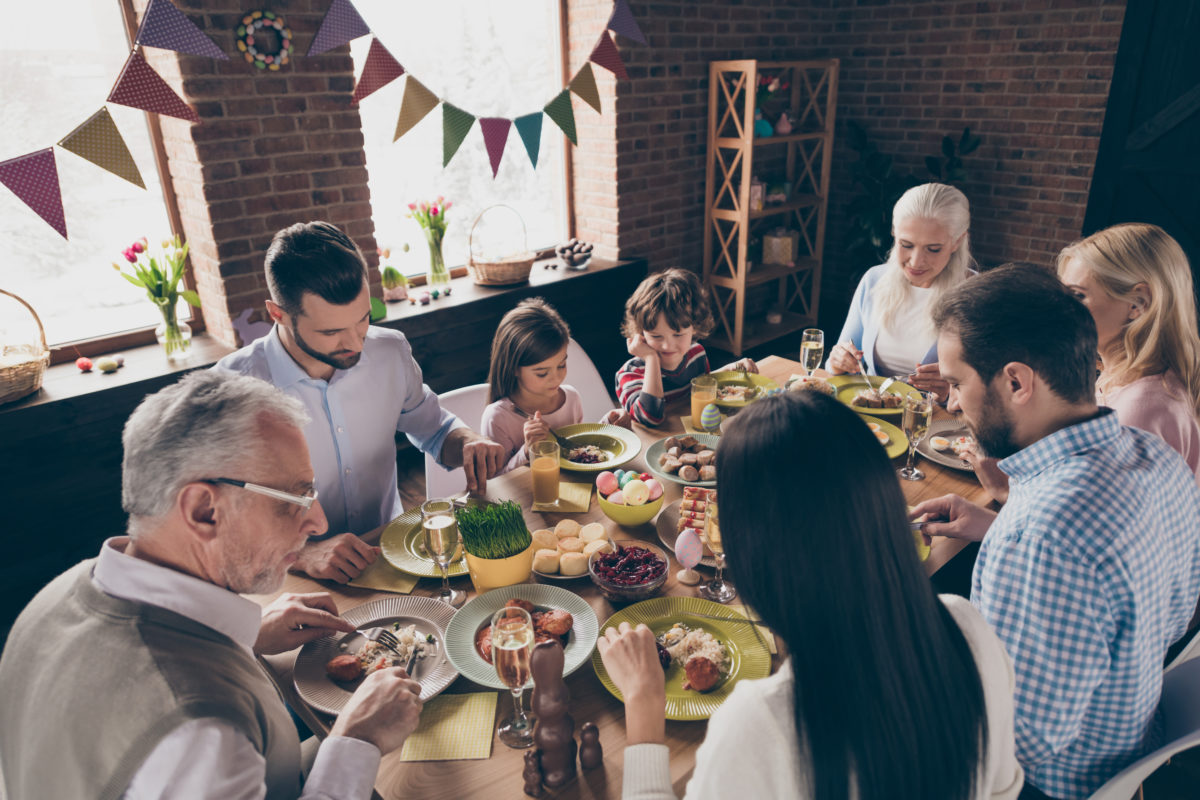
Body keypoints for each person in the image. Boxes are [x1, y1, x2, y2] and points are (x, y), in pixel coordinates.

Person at [0, 370, 424, 800]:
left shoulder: (54, 596)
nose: (319, 522)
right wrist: (357, 740)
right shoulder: (203, 734)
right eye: (294, 499)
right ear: (204, 510)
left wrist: (246, 637)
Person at [598, 391, 1024, 800]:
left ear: (753, 552)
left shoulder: (760, 724)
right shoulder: (970, 628)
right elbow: (1002, 789)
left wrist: (643, 700)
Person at [910, 264, 1200, 800]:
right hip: (1126, 742)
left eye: (957, 383)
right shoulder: (1157, 459)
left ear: (1016, 382)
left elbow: (1014, 741)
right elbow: (1178, 612)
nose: (951, 404)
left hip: (1043, 784)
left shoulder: (1042, 535)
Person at [217, 221, 505, 582]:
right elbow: (222, 518)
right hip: (287, 576)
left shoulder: (390, 351)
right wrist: (305, 554)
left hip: (391, 555)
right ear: (278, 314)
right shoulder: (231, 389)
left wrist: (467, 442)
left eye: (363, 319)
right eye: (331, 332)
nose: (355, 342)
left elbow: (434, 428)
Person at [828, 182, 975, 398]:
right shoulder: (874, 279)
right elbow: (839, 363)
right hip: (871, 416)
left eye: (933, 249)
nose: (916, 261)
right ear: (894, 233)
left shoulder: (976, 296)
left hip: (935, 422)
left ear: (957, 242)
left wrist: (951, 392)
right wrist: (838, 361)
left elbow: (992, 393)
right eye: (906, 245)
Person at [481, 298, 629, 474]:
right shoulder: (498, 418)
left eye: (561, 365)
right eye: (542, 373)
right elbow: (496, 483)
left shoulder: (571, 398)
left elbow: (575, 450)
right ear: (513, 368)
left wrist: (609, 425)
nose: (556, 378)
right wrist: (527, 451)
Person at [616, 268, 756, 427]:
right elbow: (650, 417)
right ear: (641, 333)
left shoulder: (696, 354)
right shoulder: (629, 374)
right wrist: (651, 358)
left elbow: (700, 388)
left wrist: (732, 369)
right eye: (656, 336)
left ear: (694, 328)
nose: (667, 346)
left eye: (678, 335)